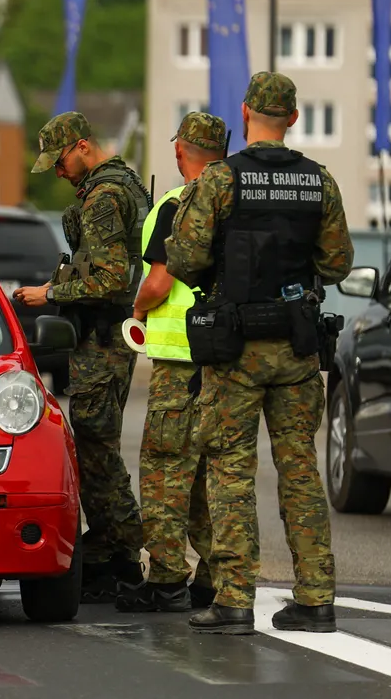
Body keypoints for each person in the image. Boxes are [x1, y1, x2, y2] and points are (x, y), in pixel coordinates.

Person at [165, 72, 353, 635]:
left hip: (235, 351)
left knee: (231, 473)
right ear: (293, 117)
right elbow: (338, 264)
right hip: (295, 350)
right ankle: (316, 599)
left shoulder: (221, 180)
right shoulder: (319, 183)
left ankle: (234, 600)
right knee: (300, 474)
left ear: (245, 112)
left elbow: (186, 261)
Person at [12, 111, 151, 602]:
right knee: (96, 448)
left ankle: (121, 555)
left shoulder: (105, 196)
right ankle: (114, 550)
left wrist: (51, 292)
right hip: (108, 338)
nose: (59, 172)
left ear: (83, 147)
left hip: (103, 339)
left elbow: (112, 279)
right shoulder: (122, 184)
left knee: (95, 453)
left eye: (61, 161)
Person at [115, 112, 225, 614]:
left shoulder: (177, 204)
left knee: (164, 472)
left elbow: (159, 281)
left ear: (181, 150)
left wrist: (137, 309)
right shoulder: (240, 200)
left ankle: (165, 581)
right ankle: (215, 577)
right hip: (228, 359)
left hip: (180, 359)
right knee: (217, 472)